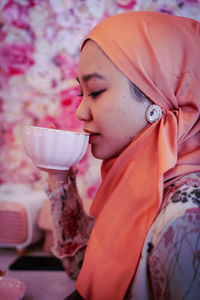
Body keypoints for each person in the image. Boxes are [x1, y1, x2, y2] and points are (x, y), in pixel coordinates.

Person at [44, 11, 200, 300]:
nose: (80, 112)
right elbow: (88, 273)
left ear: (160, 98)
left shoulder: (186, 223)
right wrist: (57, 172)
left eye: (96, 91)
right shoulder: (137, 180)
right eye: (82, 94)